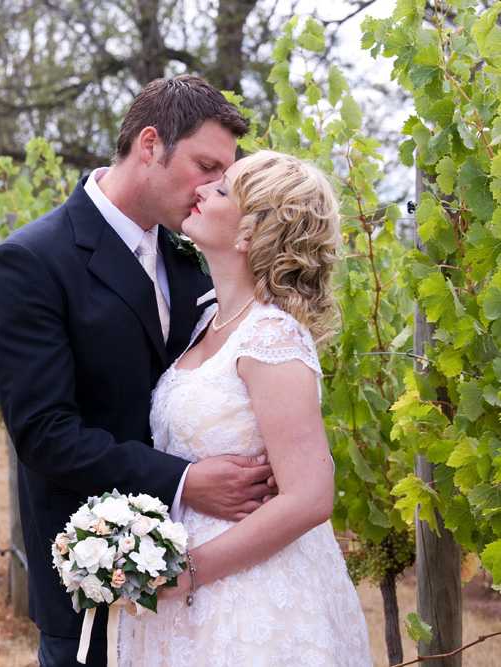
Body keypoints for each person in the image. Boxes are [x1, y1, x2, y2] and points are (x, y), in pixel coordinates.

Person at [0, 76, 276, 667]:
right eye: (205, 165)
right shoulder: (31, 263)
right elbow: (44, 433)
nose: (214, 188)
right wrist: (187, 481)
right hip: (93, 584)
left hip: (210, 592)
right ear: (149, 145)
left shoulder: (193, 261)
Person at [117, 150, 372, 665]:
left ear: (252, 235)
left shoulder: (273, 336)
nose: (203, 190)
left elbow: (310, 497)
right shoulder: (207, 323)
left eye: (223, 190)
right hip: (188, 588)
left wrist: (191, 568)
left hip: (251, 590)